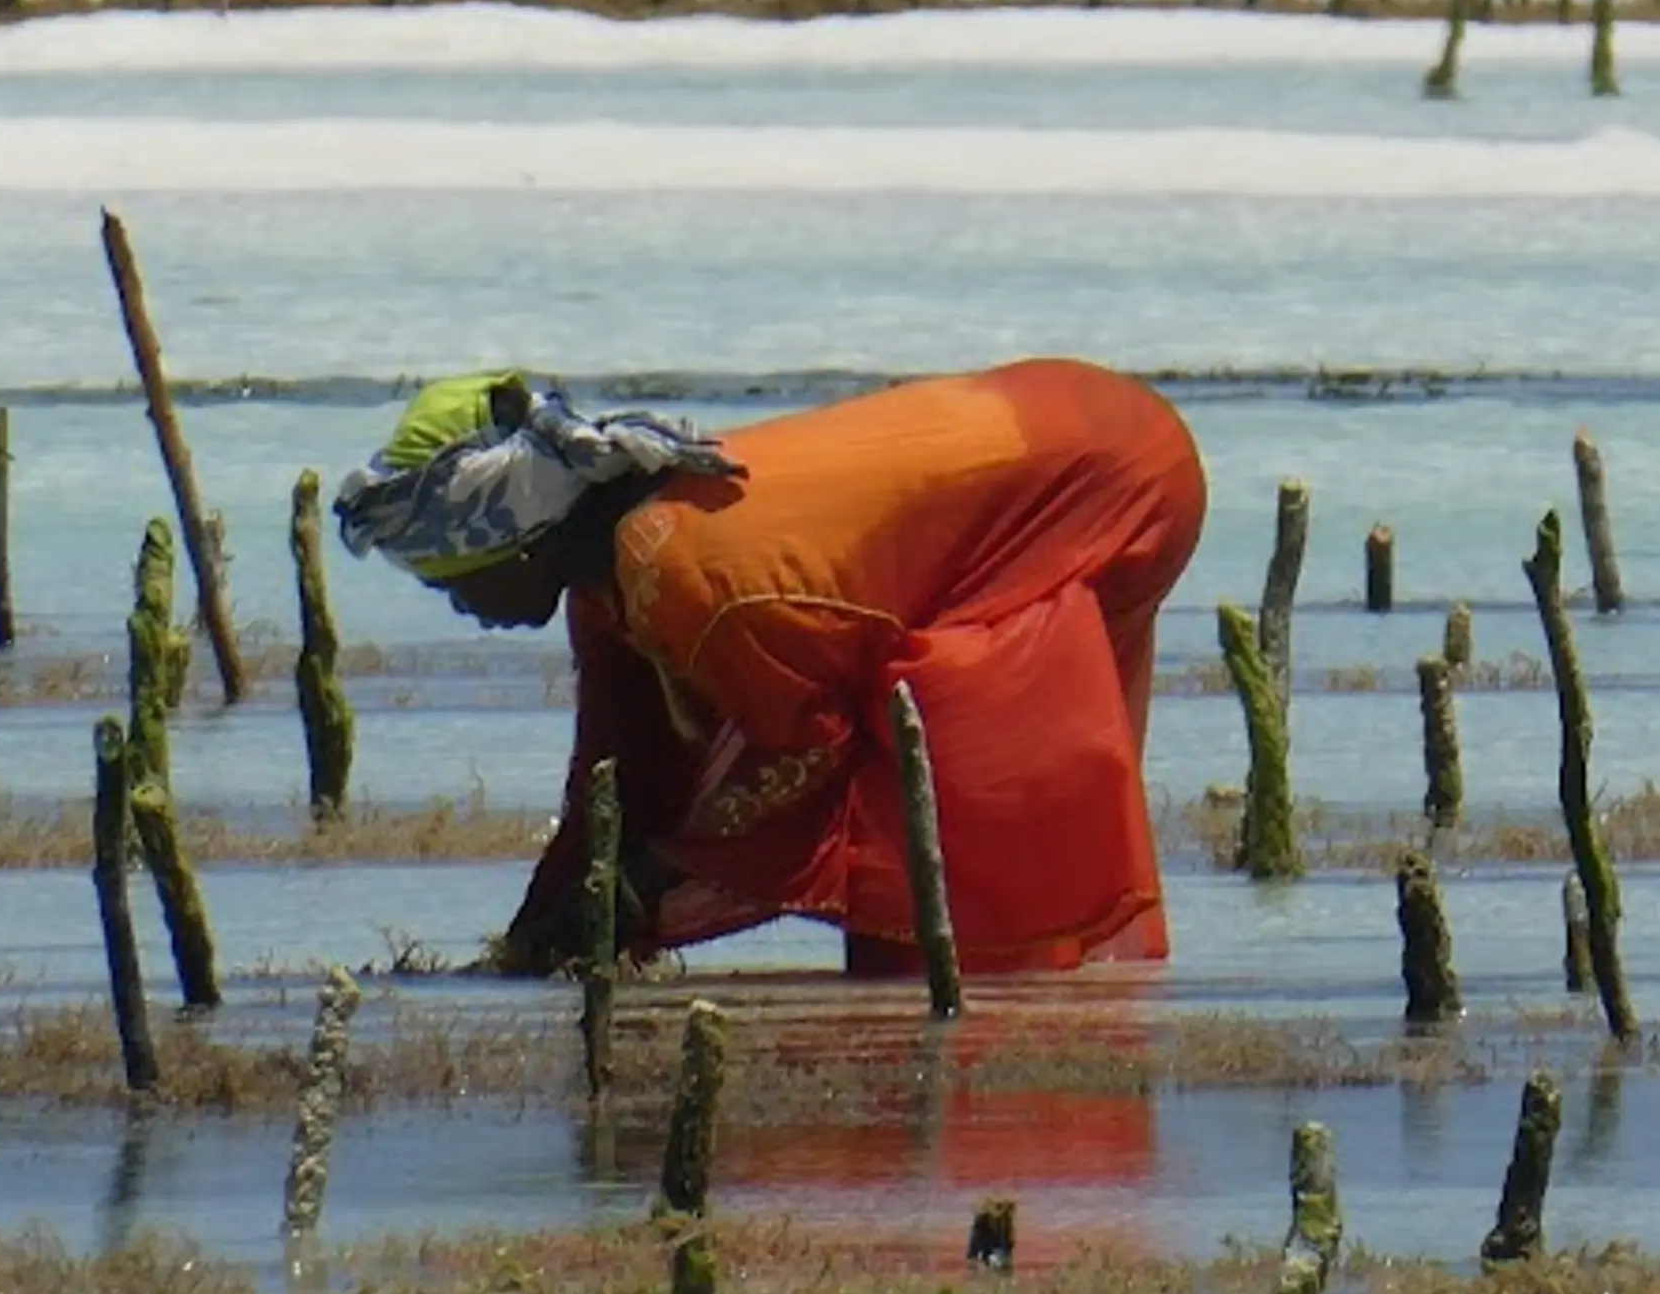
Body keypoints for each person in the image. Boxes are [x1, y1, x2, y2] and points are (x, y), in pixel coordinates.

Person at [334, 359, 1206, 975]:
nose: (455, 600)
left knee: (938, 782)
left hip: (1106, 475)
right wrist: (546, 929)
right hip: (1059, 412)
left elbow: (815, 755)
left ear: (512, 534)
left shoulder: (689, 576)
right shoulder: (615, 580)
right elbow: (621, 772)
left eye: (449, 571)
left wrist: (652, 881)